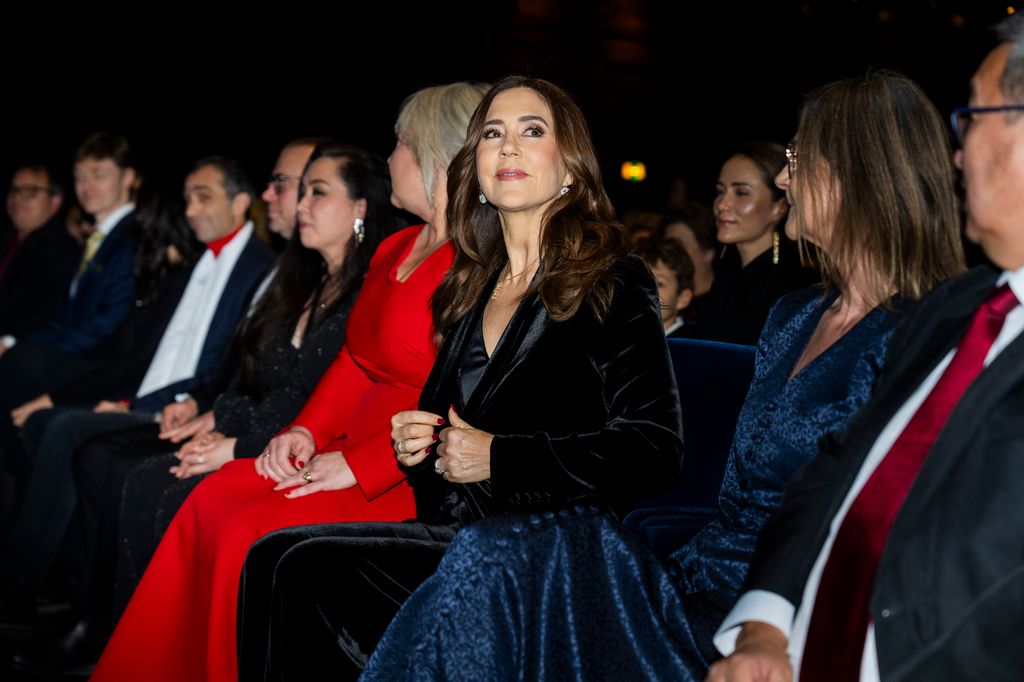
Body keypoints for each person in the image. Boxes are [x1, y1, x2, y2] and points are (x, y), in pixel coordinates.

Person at [359, 69, 966, 682]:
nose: (784, 178)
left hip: (782, 604)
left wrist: (765, 620)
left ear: (860, 169)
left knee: (501, 556)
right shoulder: (794, 316)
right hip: (697, 574)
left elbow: (883, 521)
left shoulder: (918, 333)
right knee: (499, 561)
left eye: (797, 158)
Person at [234, 75, 684, 682]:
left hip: (554, 546)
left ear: (571, 167)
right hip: (462, 533)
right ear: (475, 165)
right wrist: (418, 443)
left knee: (300, 567)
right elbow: (448, 447)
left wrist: (500, 457)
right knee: (274, 556)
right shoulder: (474, 281)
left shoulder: (611, 279)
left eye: (532, 131)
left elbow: (655, 448)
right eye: (493, 133)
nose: (509, 147)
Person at [90, 81, 487, 682]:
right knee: (211, 498)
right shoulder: (395, 247)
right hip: (340, 445)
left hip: (404, 467)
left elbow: (466, 394)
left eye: (401, 143)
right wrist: (304, 429)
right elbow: (354, 361)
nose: (390, 159)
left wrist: (361, 466)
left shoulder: (475, 262)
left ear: (437, 155)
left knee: (246, 528)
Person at [709, 17, 1024, 682]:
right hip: (750, 603)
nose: (958, 151)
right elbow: (830, 481)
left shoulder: (911, 318)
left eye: (974, 116)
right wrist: (762, 625)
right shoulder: (957, 311)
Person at [9, 142, 396, 679]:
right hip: (244, 421)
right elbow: (245, 375)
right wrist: (205, 411)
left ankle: (138, 644)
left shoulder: (359, 286)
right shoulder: (301, 277)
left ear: (360, 207)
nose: (292, 201)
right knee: (102, 453)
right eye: (295, 188)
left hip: (290, 441)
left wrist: (230, 439)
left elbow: (310, 398)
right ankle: (102, 623)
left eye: (314, 190)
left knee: (140, 473)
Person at [0, 156, 273, 629]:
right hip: (154, 399)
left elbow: (221, 367)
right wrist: (129, 398)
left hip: (185, 406)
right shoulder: (195, 267)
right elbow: (150, 352)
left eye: (202, 196)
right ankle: (52, 588)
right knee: (53, 424)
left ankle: (47, 594)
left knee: (67, 430)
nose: (190, 208)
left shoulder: (257, 269)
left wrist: (144, 402)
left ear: (242, 202)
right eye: (187, 197)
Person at [0, 133, 139, 411]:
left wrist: (21, 347)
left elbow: (106, 325)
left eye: (98, 175)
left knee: (22, 362)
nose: (85, 186)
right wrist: (11, 340)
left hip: (105, 364)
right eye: (79, 177)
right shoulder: (97, 239)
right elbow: (65, 316)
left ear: (127, 178)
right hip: (79, 352)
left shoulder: (134, 238)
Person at [697, 141, 816, 345]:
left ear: (779, 208)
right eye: (720, 191)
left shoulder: (788, 287)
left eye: (741, 193)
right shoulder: (726, 274)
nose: (722, 204)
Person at [0, 160, 80, 338]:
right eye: (14, 190)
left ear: (55, 201)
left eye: (30, 191)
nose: (18, 199)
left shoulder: (57, 250)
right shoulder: (8, 236)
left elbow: (34, 314)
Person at [632, 236, 698, 337]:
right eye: (638, 281)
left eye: (659, 284)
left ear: (682, 299)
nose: (644, 289)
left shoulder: (691, 347)